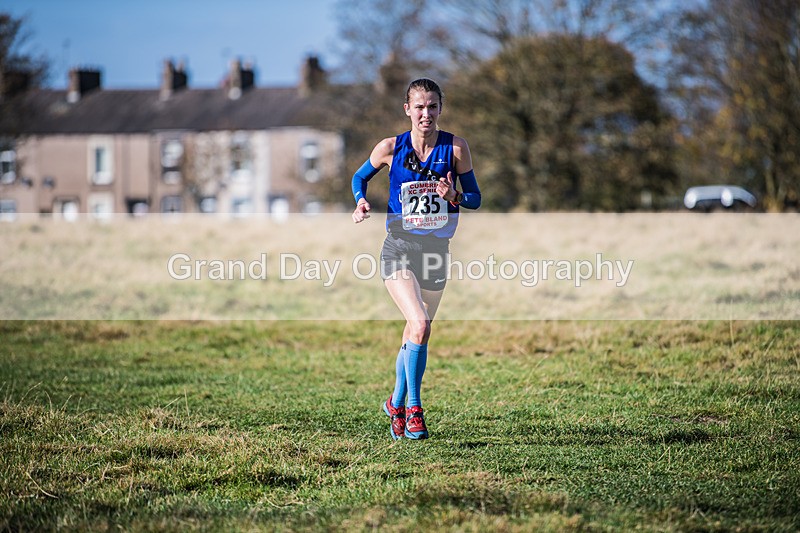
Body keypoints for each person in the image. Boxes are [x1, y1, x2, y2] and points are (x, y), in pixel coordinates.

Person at [351, 78, 481, 440]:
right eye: (419, 107)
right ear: (407, 109)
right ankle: (414, 409)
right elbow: (359, 177)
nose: (426, 113)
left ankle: (394, 401)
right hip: (399, 247)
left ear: (441, 108)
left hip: (437, 252)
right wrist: (361, 200)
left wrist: (454, 194)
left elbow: (475, 198)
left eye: (433, 106)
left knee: (416, 331)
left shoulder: (456, 148)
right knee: (420, 324)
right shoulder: (391, 147)